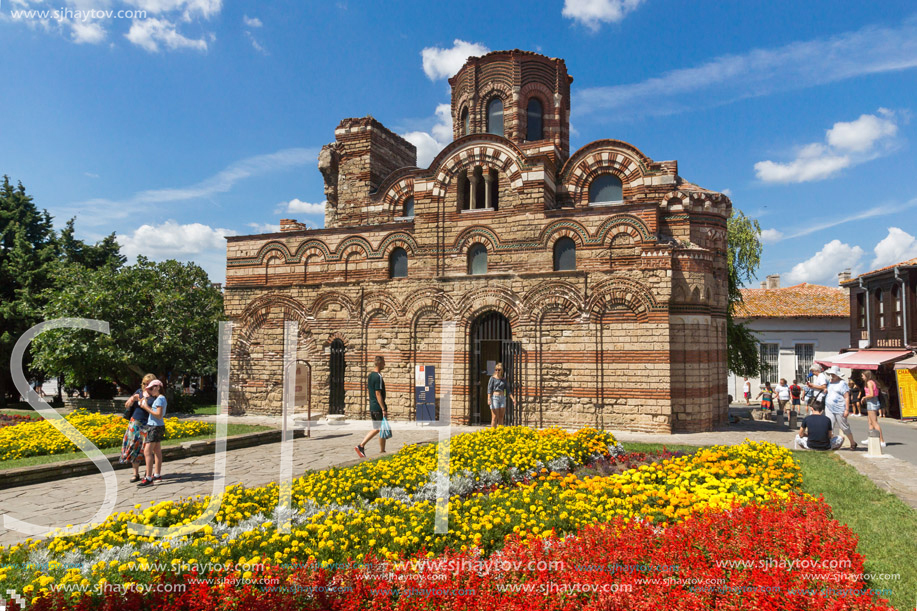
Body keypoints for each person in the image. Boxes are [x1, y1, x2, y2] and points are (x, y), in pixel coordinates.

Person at [120, 373, 155, 483]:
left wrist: (141, 401)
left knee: (147, 449)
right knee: (133, 447)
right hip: (135, 423)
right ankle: (135, 473)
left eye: (148, 384)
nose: (145, 386)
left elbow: (155, 410)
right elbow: (127, 405)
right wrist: (131, 400)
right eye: (144, 383)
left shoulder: (155, 396)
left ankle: (147, 472)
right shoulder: (138, 392)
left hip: (148, 424)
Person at [355, 356, 387, 458]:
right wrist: (383, 408)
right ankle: (361, 445)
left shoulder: (370, 375)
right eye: (383, 363)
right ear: (379, 363)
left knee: (379, 429)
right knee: (380, 429)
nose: (384, 365)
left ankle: (382, 450)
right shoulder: (378, 376)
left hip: (372, 406)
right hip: (377, 407)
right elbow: (378, 393)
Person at [137, 379, 167, 486]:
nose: (150, 390)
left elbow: (158, 415)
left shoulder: (159, 399)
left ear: (158, 387)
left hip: (154, 427)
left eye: (152, 388)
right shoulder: (160, 398)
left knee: (147, 451)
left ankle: (149, 477)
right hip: (158, 426)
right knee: (157, 451)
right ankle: (157, 474)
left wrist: (146, 407)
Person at [822, 366, 856, 450]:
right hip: (829, 407)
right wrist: (826, 391)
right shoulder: (830, 382)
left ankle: (852, 442)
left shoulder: (842, 383)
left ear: (838, 375)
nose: (832, 375)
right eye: (831, 374)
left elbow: (846, 397)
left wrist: (847, 409)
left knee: (844, 426)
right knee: (829, 425)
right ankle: (829, 443)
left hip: (840, 408)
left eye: (833, 374)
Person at [859, 370, 887, 448]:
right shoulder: (873, 382)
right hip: (872, 402)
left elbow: (871, 394)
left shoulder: (869, 383)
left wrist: (864, 397)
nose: (862, 377)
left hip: (872, 402)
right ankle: (871, 438)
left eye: (863, 375)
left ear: (866, 376)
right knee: (870, 422)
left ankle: (882, 441)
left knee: (874, 422)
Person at [487, 362, 512, 428]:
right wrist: (489, 399)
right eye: (496, 369)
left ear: (501, 371)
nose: (497, 371)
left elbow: (507, 390)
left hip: (502, 398)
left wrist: (513, 398)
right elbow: (489, 389)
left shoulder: (503, 379)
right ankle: (492, 432)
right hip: (494, 398)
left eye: (499, 370)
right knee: (494, 417)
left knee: (501, 417)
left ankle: (500, 432)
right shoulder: (492, 378)